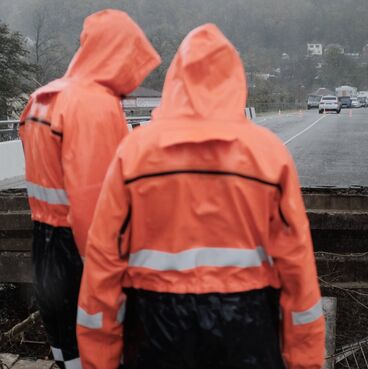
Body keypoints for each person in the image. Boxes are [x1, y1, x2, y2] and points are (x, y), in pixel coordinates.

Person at [76, 23, 325, 369]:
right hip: (247, 325)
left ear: (175, 81)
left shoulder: (134, 152)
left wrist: (98, 361)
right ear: (235, 81)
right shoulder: (268, 154)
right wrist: (306, 361)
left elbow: (103, 264)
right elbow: (298, 269)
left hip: (155, 326)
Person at [18, 9, 160, 369]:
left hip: (45, 243)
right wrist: (114, 276)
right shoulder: (95, 105)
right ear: (117, 55)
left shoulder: (40, 98)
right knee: (103, 345)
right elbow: (96, 204)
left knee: (66, 345)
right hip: (81, 250)